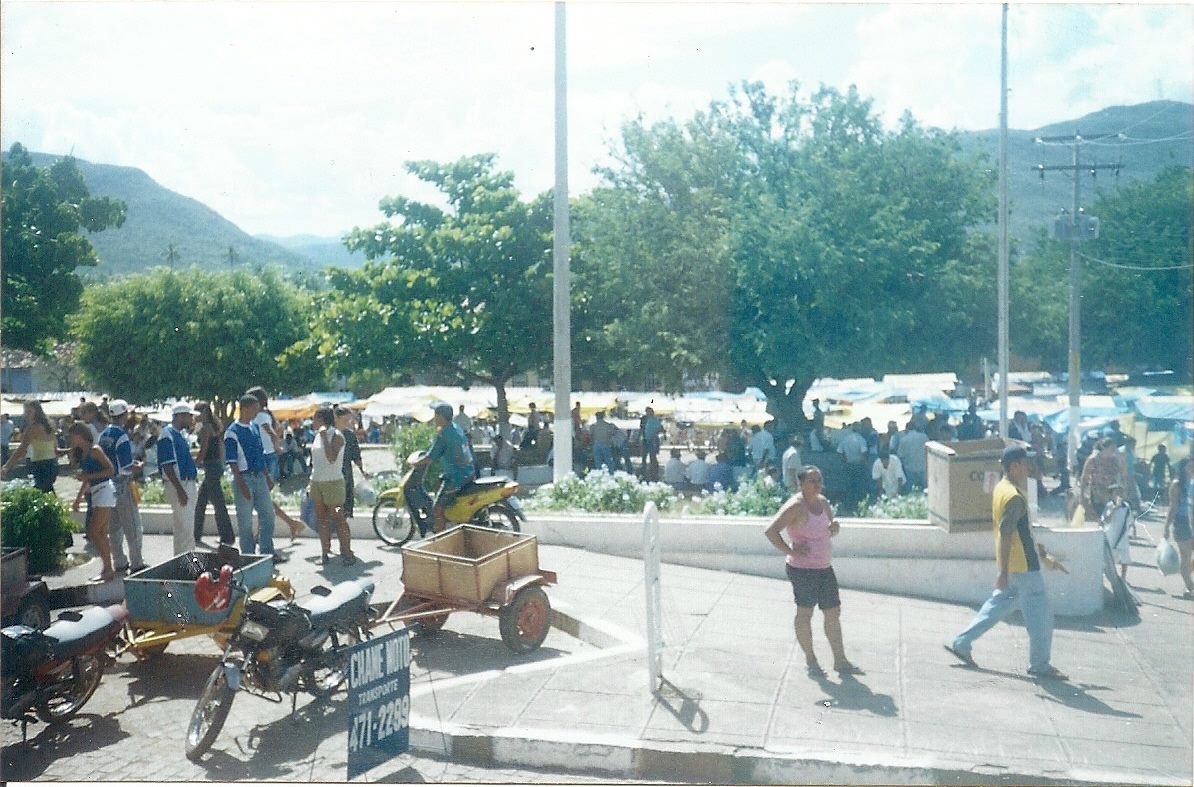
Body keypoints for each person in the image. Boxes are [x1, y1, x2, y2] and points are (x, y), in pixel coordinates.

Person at [945, 445, 1068, 680]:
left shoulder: (1003, 488)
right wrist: (1002, 571)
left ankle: (962, 642)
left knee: (998, 605)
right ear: (1014, 467)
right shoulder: (1014, 497)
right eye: (1025, 463)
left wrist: (1040, 556)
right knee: (1040, 617)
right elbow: (1007, 533)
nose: (1029, 467)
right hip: (1024, 566)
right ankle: (1040, 665)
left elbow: (1019, 533)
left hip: (1015, 564)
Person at [764, 465, 861, 677]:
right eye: (812, 481)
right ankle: (811, 660)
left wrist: (834, 528)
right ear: (801, 484)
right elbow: (771, 531)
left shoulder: (823, 502)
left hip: (824, 567)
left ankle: (840, 660)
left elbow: (828, 527)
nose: (817, 485)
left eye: (819, 480)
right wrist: (789, 550)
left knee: (833, 612)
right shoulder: (796, 507)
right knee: (805, 613)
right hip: (803, 570)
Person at [225, 394, 281, 562]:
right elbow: (232, 462)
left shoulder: (254, 428)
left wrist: (267, 476)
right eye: (255, 409)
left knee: (268, 515)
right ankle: (248, 556)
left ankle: (266, 552)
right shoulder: (232, 432)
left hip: (259, 477)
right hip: (244, 478)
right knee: (245, 522)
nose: (257, 412)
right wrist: (241, 484)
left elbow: (259, 454)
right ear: (245, 409)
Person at [247, 387, 304, 540]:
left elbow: (272, 432)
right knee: (262, 498)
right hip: (268, 456)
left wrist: (276, 445)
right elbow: (277, 430)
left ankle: (286, 525)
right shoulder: (267, 415)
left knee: (261, 498)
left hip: (265, 458)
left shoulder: (260, 416)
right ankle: (290, 524)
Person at [98, 400, 145, 572]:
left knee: (114, 528)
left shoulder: (103, 435)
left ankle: (119, 561)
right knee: (132, 526)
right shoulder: (122, 436)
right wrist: (138, 466)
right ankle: (137, 563)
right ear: (123, 415)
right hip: (122, 484)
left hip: (107, 485)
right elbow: (125, 467)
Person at [67, 423, 117, 583]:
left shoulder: (95, 450)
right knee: (100, 532)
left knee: (94, 531)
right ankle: (107, 568)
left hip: (104, 490)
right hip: (97, 492)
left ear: (79, 435)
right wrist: (78, 499)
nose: (70, 440)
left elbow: (110, 470)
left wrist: (89, 477)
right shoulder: (83, 454)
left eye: (72, 436)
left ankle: (108, 568)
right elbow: (87, 479)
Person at [416, 403, 476, 533]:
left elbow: (430, 457)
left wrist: (414, 463)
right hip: (467, 472)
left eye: (436, 415)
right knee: (438, 482)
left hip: (457, 477)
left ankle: (441, 535)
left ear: (441, 417)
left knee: (436, 509)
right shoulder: (456, 428)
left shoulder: (444, 435)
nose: (434, 418)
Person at [309, 407, 355, 565]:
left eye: (315, 418)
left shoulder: (337, 436)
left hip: (333, 484)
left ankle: (346, 553)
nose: (312, 422)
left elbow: (331, 458)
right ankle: (324, 552)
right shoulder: (316, 437)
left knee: (338, 517)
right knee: (321, 519)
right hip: (317, 483)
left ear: (322, 420)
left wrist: (324, 437)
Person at [158, 403, 199, 556]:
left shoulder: (177, 434)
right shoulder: (167, 435)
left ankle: (184, 561)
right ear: (181, 415)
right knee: (185, 528)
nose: (191, 419)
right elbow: (167, 466)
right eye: (189, 416)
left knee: (185, 527)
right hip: (180, 484)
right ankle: (187, 564)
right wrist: (180, 490)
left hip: (186, 482)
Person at [193, 401, 235, 547]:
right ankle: (196, 533)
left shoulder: (206, 428)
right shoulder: (214, 426)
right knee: (202, 501)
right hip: (215, 465)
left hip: (210, 466)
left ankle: (227, 536)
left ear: (203, 413)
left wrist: (195, 464)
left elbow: (203, 450)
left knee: (217, 502)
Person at [2, 401, 58, 493]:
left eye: (29, 412)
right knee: (47, 492)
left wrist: (7, 466)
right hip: (52, 463)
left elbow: (21, 449)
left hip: (41, 464)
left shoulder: (33, 428)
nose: (25, 414)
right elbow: (55, 446)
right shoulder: (49, 425)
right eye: (25, 411)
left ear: (37, 412)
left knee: (42, 494)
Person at [1163, 458, 1193, 598]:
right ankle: (1188, 585)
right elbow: (1173, 506)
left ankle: (1188, 581)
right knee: (1186, 556)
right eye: (1189, 466)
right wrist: (1166, 526)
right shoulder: (1177, 484)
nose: (1192, 468)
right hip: (1182, 522)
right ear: (1183, 468)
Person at [1080, 437, 1131, 522]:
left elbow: (1124, 474)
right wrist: (1082, 495)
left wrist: (1122, 460)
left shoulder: (1115, 460)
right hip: (1097, 492)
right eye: (1111, 449)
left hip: (1112, 492)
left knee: (1112, 514)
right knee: (1100, 515)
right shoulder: (1093, 459)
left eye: (1115, 449)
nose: (1114, 451)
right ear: (1104, 448)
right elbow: (1085, 477)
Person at [336, 406, 370, 518]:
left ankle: (342, 520)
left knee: (346, 504)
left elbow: (356, 456)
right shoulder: (328, 435)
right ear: (336, 418)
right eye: (345, 421)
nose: (347, 423)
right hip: (333, 475)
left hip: (346, 474)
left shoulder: (350, 435)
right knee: (335, 505)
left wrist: (362, 471)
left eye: (349, 421)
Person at [1101, 484, 1132, 582]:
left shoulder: (1126, 506)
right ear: (1111, 495)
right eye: (1116, 492)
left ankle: (1123, 577)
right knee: (1109, 558)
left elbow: (1130, 519)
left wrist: (1133, 528)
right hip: (1111, 535)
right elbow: (1106, 520)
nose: (1119, 495)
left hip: (1122, 536)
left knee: (1124, 558)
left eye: (1120, 492)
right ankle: (1106, 576)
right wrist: (1115, 509)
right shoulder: (1109, 506)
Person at [837, 423, 869, 510]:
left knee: (849, 485)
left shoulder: (845, 439)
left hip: (848, 465)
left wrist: (844, 462)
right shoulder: (861, 439)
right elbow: (864, 452)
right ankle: (858, 504)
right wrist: (866, 465)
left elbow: (839, 452)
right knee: (858, 486)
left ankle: (848, 504)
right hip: (859, 465)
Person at [895, 423, 928, 490]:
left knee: (909, 489)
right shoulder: (924, 437)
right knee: (926, 489)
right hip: (923, 467)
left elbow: (900, 455)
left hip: (910, 468)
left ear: (907, 429)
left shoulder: (904, 440)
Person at [640, 407, 663, 480]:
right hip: (645, 439)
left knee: (652, 456)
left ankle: (653, 472)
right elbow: (641, 429)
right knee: (644, 456)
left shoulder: (655, 420)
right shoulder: (644, 419)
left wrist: (655, 434)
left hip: (652, 440)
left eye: (649, 412)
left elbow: (660, 428)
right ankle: (643, 471)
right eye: (647, 412)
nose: (648, 413)